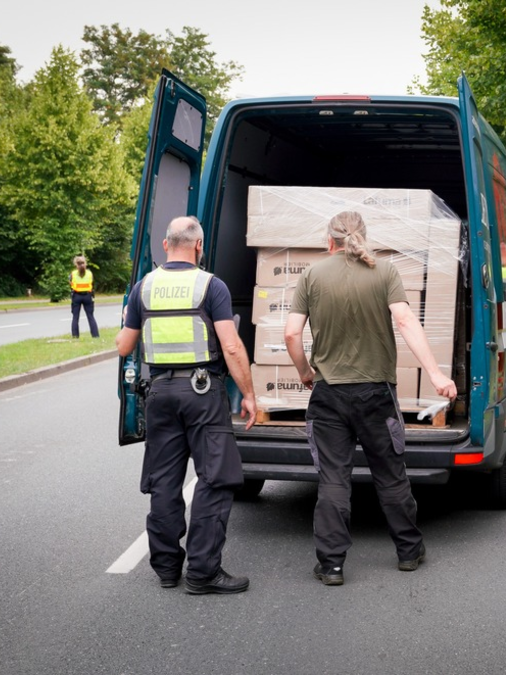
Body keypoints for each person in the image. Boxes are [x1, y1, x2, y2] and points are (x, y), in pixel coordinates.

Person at [284, 210, 457, 587]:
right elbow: (407, 321)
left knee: (333, 479)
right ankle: (409, 552)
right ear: (363, 236)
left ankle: (331, 565)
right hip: (377, 395)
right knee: (391, 475)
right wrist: (436, 374)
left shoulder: (312, 275)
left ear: (328, 240)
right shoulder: (385, 272)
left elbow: (291, 335)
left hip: (328, 396)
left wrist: (304, 373)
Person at [115, 216, 258, 595]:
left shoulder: (143, 287)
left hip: (160, 395)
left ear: (166, 245)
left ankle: (165, 569)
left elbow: (124, 346)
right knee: (214, 477)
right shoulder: (211, 286)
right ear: (199, 245)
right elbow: (230, 345)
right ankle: (203, 572)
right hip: (202, 393)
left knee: (164, 482)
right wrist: (248, 393)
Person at [69, 256, 100, 339]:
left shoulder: (73, 274)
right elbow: (92, 283)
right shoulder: (89, 273)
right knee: (90, 316)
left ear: (76, 264)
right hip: (87, 296)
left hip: (76, 296)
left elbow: (70, 284)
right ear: (85, 263)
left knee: (75, 317)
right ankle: (95, 335)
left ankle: (75, 336)